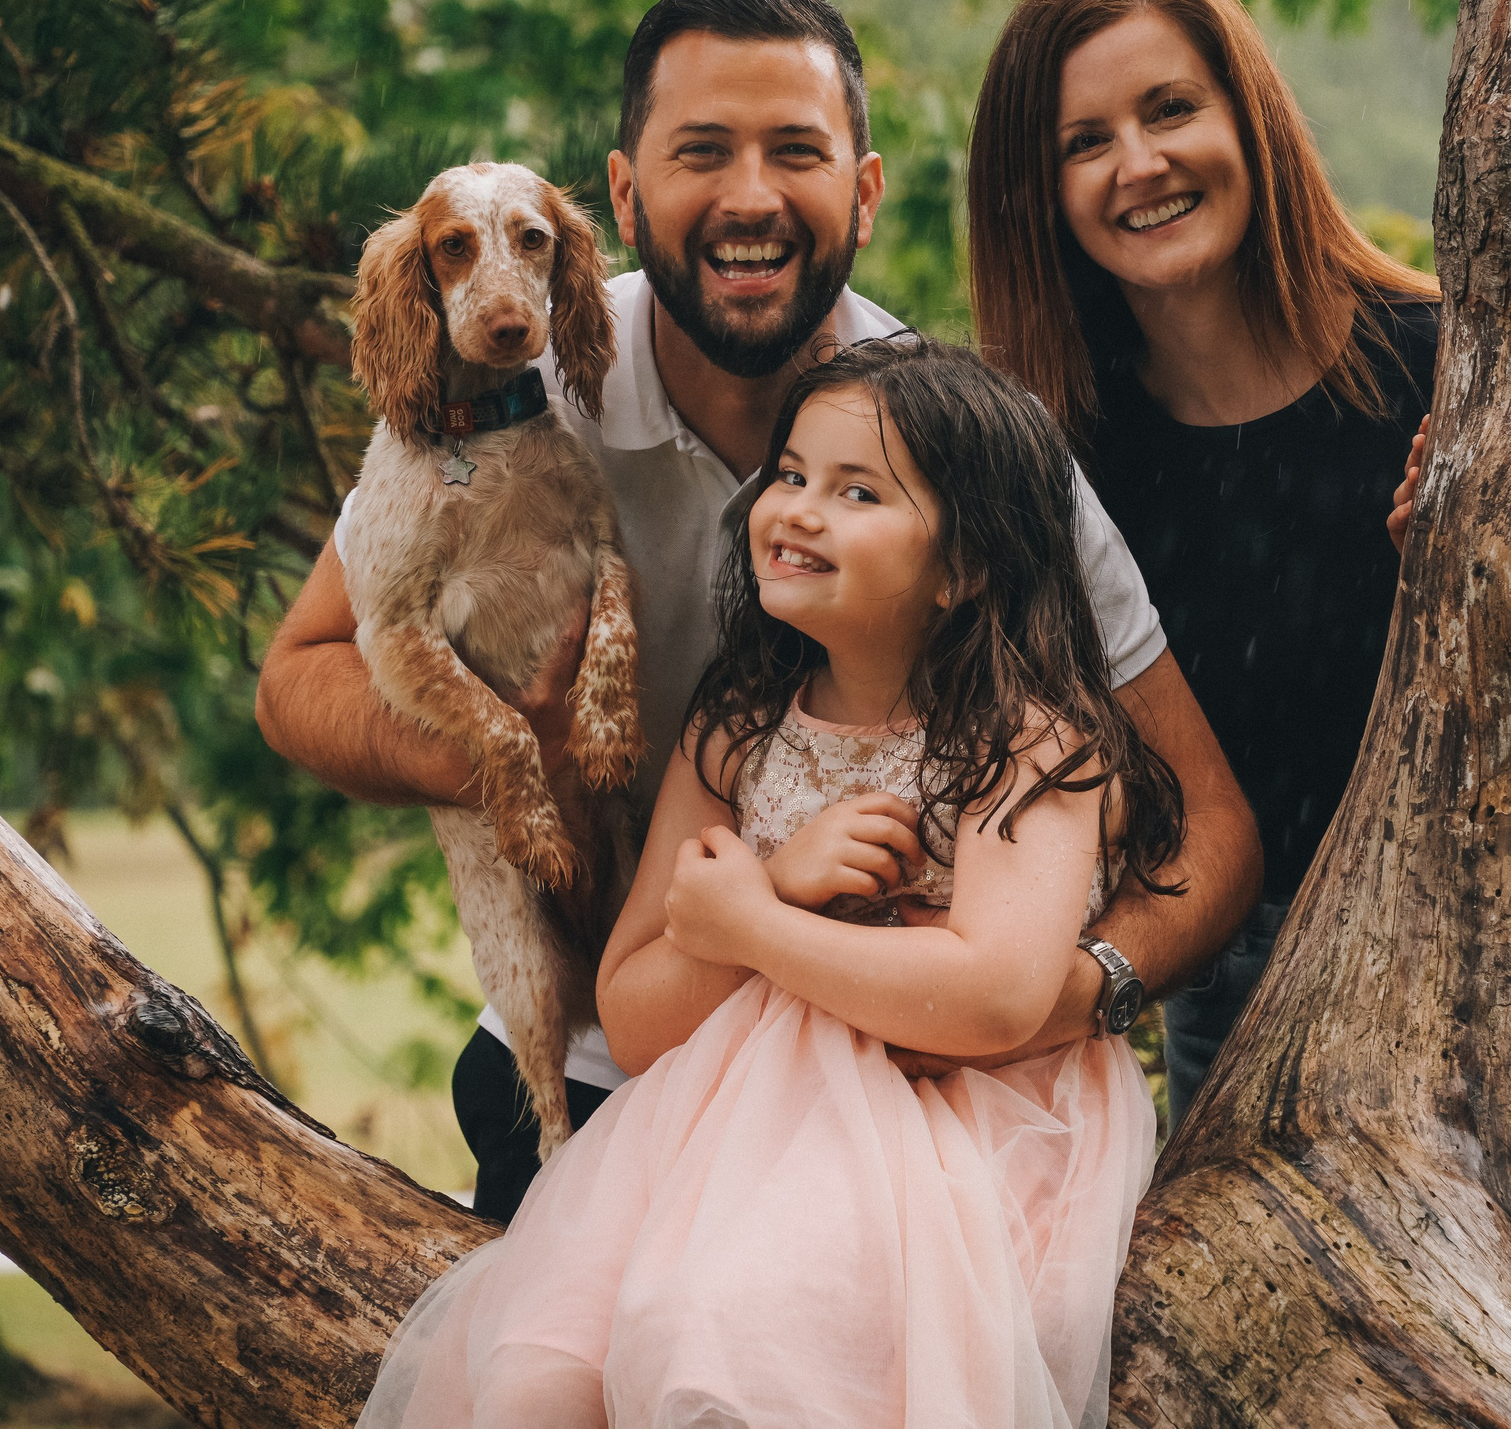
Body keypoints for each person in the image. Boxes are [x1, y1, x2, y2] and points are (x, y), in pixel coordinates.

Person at [255, 0, 1260, 1219]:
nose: (749, 197)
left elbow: (1210, 829)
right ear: (623, 196)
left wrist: (1078, 987)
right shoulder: (516, 395)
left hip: (920, 1115)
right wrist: (512, 756)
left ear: (865, 189)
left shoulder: (966, 450)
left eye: (796, 150)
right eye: (700, 152)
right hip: (600, 1075)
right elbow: (300, 675)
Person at [357, 340, 1175, 1429]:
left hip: (965, 1143)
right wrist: (774, 895)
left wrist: (756, 923)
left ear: (965, 565)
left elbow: (993, 996)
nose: (796, 509)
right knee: (552, 1362)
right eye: (789, 475)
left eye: (856, 491)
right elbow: (639, 1017)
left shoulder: (1028, 746)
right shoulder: (737, 726)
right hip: (723, 1126)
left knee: (735, 1332)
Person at [965, 0, 1439, 1126]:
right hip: (1224, 993)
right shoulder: (1051, 465)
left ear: (1253, 120)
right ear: (1042, 193)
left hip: (1470, 951)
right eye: (1085, 142)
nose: (1141, 164)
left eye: (1171, 109)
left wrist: (1484, 546)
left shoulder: (1443, 372)